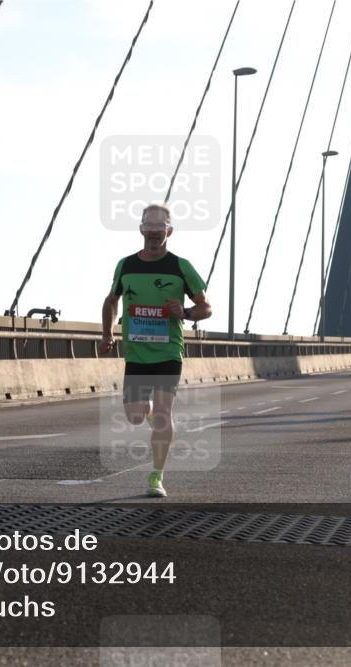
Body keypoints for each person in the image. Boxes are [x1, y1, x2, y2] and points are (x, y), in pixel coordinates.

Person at [101, 203, 211, 498]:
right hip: (136, 354)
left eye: (159, 228)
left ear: (169, 231)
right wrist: (107, 333)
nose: (153, 232)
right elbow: (111, 301)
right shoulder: (126, 265)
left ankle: (156, 476)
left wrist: (185, 312)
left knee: (164, 414)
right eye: (148, 226)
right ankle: (148, 416)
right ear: (141, 229)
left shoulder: (180, 266)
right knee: (135, 416)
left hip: (168, 353)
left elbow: (206, 308)